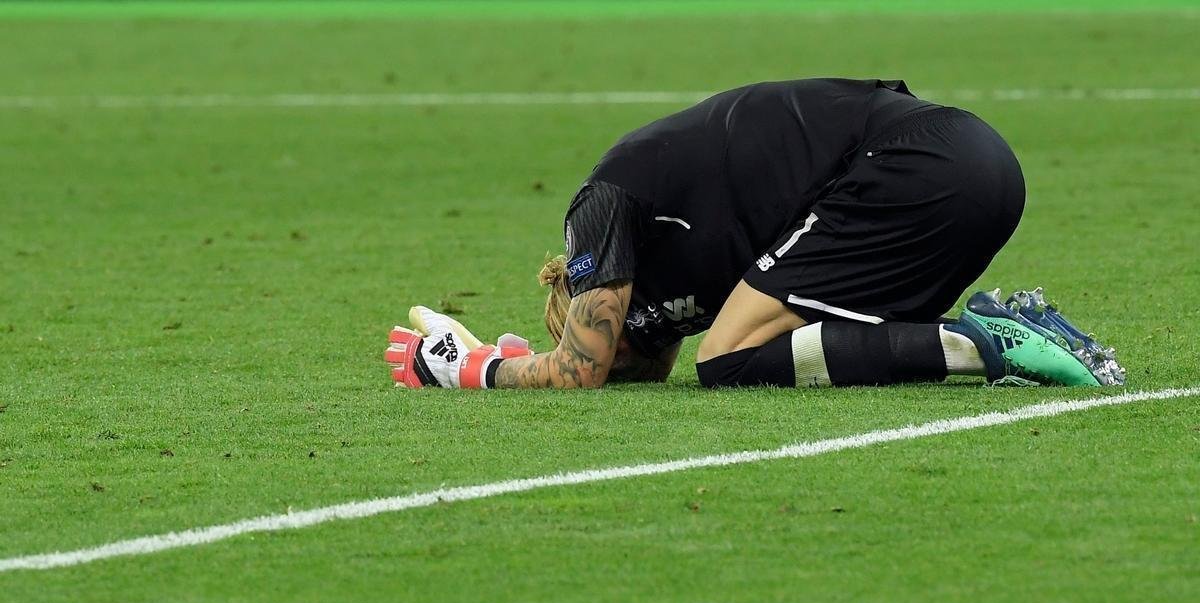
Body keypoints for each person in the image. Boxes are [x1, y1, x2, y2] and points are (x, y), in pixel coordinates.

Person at [386, 78, 1123, 390]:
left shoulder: (600, 202)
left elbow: (583, 369)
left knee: (729, 359)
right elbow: (628, 365)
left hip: (913, 164)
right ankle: (1015, 330)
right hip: (976, 164)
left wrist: (474, 365)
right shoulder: (686, 256)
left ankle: (981, 342)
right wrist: (537, 358)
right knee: (780, 345)